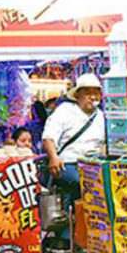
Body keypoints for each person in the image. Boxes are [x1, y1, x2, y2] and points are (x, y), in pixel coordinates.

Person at [41, 73, 105, 232]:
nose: (92, 97)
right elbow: (48, 137)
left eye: (95, 93)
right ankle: (77, 230)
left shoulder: (101, 116)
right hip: (68, 164)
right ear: (77, 95)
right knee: (81, 183)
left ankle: (77, 234)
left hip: (93, 164)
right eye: (87, 93)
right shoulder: (64, 111)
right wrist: (53, 157)